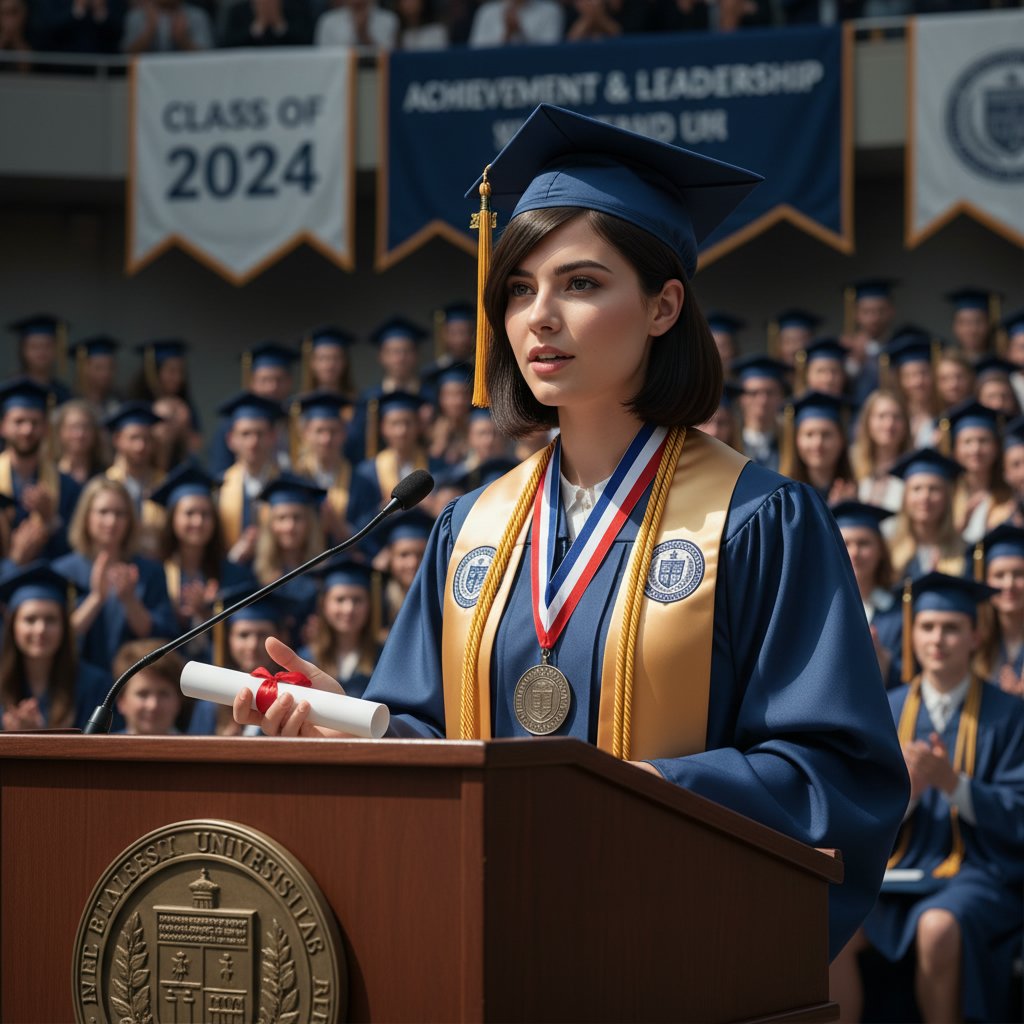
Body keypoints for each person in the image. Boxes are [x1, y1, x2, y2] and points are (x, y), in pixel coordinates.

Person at [233, 102, 909, 958]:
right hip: (485, 941)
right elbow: (444, 747)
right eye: (519, 288)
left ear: (664, 307)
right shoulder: (468, 529)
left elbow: (838, 780)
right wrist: (357, 725)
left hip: (663, 955)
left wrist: (641, 794)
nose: (538, 316)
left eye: (580, 284)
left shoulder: (755, 520)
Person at [831, 573, 1024, 1024]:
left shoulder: (1010, 715)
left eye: (952, 628)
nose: (938, 639)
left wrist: (954, 785)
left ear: (976, 636)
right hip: (897, 871)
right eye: (928, 626)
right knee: (832, 923)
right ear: (912, 633)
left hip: (978, 871)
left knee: (937, 927)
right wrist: (910, 797)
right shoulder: (886, 710)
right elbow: (853, 809)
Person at [53, 477, 177, 671]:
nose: (111, 521)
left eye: (120, 514)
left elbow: (160, 637)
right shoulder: (63, 571)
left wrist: (130, 601)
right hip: (78, 682)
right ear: (86, 516)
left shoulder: (149, 571)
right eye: (103, 512)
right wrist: (96, 598)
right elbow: (58, 638)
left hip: (133, 681)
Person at [151, 462, 252, 664]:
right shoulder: (155, 573)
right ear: (173, 519)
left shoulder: (235, 575)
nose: (198, 522)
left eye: (205, 514)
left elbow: (246, 632)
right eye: (189, 514)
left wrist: (206, 614)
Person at [0, 561, 111, 731]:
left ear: (64, 628)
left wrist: (38, 737)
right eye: (30, 619)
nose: (41, 629)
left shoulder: (94, 685)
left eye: (50, 620)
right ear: (13, 626)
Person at [0, 377, 83, 560]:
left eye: (35, 422)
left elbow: (77, 553)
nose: (27, 430)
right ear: (2, 426)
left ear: (46, 428)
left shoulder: (67, 487)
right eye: (19, 422)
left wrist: (50, 519)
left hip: (48, 583)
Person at [832, 500, 901, 687]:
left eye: (864, 543)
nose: (854, 552)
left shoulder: (900, 613)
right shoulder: (819, 610)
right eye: (845, 543)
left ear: (880, 551)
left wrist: (884, 663)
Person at [215, 392, 284, 564]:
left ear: (273, 437)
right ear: (231, 440)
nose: (253, 442)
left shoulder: (287, 485)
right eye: (245, 434)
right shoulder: (217, 488)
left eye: (260, 434)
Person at [300, 559, 379, 697]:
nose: (349, 609)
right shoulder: (307, 659)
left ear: (370, 605)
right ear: (324, 604)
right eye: (340, 599)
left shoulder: (383, 658)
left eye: (357, 600)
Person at [942, 399, 1014, 544]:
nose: (976, 449)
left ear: (996, 448)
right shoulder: (946, 495)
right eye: (967, 442)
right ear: (955, 450)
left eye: (983, 441)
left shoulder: (1011, 496)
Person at [887, 449, 966, 579]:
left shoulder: (964, 552)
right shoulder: (888, 552)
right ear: (905, 498)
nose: (925, 497)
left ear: (947, 497)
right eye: (917, 489)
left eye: (934, 489)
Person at [103, 401, 167, 559]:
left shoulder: (165, 483)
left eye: (146, 439)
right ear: (117, 439)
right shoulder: (105, 485)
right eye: (133, 438)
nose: (140, 446)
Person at [292, 390, 354, 545]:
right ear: (305, 434)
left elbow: (368, 539)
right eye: (319, 431)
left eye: (333, 431)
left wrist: (338, 526)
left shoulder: (360, 482)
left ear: (344, 433)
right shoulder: (295, 479)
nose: (326, 439)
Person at [974, 523, 1024, 698]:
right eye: (999, 575)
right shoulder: (974, 643)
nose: (1009, 585)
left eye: (1019, 574)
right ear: (986, 581)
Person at [779, 391, 857, 503]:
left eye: (826, 434)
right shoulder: (782, 497)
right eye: (809, 434)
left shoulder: (858, 492)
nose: (818, 443)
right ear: (797, 440)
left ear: (841, 440)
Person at [850, 389, 910, 513]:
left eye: (896, 417)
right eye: (881, 416)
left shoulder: (912, 470)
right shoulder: (851, 465)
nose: (889, 424)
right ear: (868, 422)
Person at [729, 354, 789, 471]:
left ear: (781, 397)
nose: (762, 400)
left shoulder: (791, 444)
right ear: (741, 398)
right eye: (753, 393)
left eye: (770, 392)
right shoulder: (729, 444)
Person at [113, 639, 184, 735]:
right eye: (143, 694)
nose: (153, 705)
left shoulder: (197, 749)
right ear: (121, 701)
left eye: (163, 694)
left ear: (178, 700)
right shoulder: (101, 749)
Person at [7, 314, 72, 405]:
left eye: (47, 346)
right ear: (23, 350)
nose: (41, 352)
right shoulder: (10, 390)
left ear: (57, 350)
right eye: (34, 347)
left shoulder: (64, 394)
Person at [50, 398, 109, 486]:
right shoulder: (50, 473)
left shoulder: (106, 475)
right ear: (60, 431)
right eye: (73, 427)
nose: (80, 434)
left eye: (86, 427)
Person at [120, 0, 213, 51]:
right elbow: (125, 56)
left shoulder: (197, 15)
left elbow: (207, 57)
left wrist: (183, 40)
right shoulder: (136, 16)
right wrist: (149, 32)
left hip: (188, 75)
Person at [467, 0, 563, 46]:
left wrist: (519, 33)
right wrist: (507, 34)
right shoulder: (486, 12)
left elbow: (550, 53)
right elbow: (476, 51)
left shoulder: (550, 11)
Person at [68, 334, 120, 415]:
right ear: (83, 369)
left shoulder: (118, 405)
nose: (106, 373)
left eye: (110, 367)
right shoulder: (69, 406)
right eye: (99, 368)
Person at [221, 0, 313, 45]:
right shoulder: (238, 11)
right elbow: (226, 45)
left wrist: (280, 25)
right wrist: (257, 27)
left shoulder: (296, 9)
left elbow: (308, 42)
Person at [314, 0, 399, 46]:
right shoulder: (328, 21)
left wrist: (364, 36)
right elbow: (323, 58)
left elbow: (390, 58)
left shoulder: (389, 19)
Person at [945, 287, 997, 362]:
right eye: (964, 322)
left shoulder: (1002, 360)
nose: (971, 330)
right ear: (955, 326)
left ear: (990, 325)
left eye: (978, 322)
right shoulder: (946, 362)